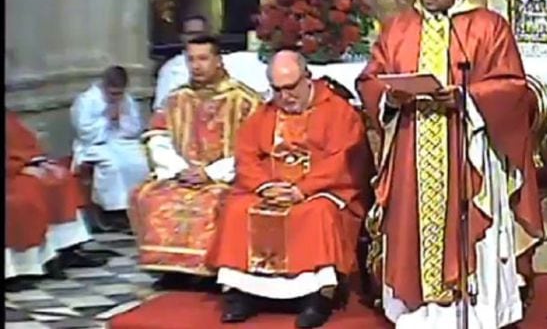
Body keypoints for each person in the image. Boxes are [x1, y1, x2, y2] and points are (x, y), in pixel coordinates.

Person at [355, 0, 543, 328]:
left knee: (472, 224)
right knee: (411, 228)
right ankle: (419, 313)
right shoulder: (399, 27)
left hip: (469, 146)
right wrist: (390, 96)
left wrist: (465, 97)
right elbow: (369, 79)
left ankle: (478, 311)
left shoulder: (487, 26)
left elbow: (513, 87)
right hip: (412, 146)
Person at [207, 50, 375, 327]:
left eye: (291, 87)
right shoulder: (265, 114)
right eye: (277, 90)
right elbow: (246, 155)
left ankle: (316, 297)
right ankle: (243, 294)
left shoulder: (338, 111)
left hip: (321, 190)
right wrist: (264, 186)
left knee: (317, 213)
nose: (285, 97)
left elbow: (343, 160)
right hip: (272, 189)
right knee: (237, 208)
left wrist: (302, 190)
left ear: (307, 78)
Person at [129, 35, 262, 290]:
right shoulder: (176, 99)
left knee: (215, 202)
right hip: (182, 175)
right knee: (149, 196)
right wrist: (179, 170)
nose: (197, 65)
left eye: (203, 58)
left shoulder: (245, 101)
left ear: (219, 60)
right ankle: (172, 270)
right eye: (191, 59)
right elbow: (157, 136)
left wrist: (210, 173)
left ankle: (213, 271)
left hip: (224, 178)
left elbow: (253, 149)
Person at [5, 111, 105, 287]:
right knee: (24, 200)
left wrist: (39, 162)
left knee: (61, 181)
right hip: (10, 177)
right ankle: (21, 268)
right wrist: (20, 168)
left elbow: (23, 145)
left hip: (18, 170)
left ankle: (66, 250)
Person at [71, 66, 150, 222]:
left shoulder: (127, 100)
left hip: (121, 141)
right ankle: (113, 212)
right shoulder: (87, 100)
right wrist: (106, 119)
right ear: (104, 86)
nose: (117, 97)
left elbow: (134, 128)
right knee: (114, 165)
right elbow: (84, 130)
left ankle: (136, 206)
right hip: (95, 144)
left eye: (120, 93)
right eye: (113, 93)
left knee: (139, 162)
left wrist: (122, 120)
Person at [153, 15, 211, 111]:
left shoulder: (224, 63)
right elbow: (161, 109)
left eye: (200, 33)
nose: (197, 37)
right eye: (191, 33)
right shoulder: (171, 69)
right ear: (182, 37)